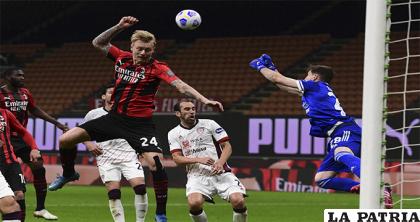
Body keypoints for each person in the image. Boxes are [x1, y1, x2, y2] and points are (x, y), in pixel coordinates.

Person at [48, 16, 223, 222]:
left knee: (156, 164)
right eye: (139, 48)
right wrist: (119, 26)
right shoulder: (121, 58)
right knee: (65, 140)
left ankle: (160, 213)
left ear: (153, 49)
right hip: (114, 119)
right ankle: (69, 173)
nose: (143, 53)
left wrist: (204, 100)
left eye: (148, 50)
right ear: (132, 46)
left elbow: (181, 85)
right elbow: (98, 42)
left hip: (140, 126)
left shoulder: (158, 68)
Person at [249, 54, 393, 208]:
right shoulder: (312, 91)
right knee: (322, 179)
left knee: (341, 152)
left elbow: (278, 79)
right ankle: (365, 189)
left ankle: (376, 186)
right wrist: (272, 69)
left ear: (315, 77)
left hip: (344, 129)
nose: (305, 78)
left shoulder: (314, 86)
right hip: (337, 133)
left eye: (308, 75)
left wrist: (260, 67)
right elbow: (280, 83)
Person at [0, 67, 68, 219]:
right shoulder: (1, 94)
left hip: (22, 138)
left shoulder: (25, 93)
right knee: (16, 187)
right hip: (5, 139)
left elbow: (35, 110)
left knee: (38, 166)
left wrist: (57, 124)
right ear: (7, 77)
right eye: (18, 75)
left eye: (23, 75)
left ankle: (40, 208)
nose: (22, 77)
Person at [168, 100, 247, 222]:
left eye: (193, 109)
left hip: (221, 173)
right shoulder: (173, 133)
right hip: (197, 176)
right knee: (194, 203)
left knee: (238, 200)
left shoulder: (209, 124)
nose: (192, 112)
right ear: (178, 114)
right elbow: (177, 158)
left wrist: (220, 162)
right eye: (187, 109)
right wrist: (198, 159)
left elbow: (227, 146)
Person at [82, 85, 148, 222]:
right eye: (110, 92)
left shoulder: (128, 112)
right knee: (114, 193)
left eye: (116, 93)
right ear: (103, 96)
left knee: (140, 187)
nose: (113, 95)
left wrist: (141, 148)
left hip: (128, 154)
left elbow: (138, 132)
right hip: (106, 157)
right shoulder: (93, 114)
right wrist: (89, 145)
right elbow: (80, 133)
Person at [0, 108, 42, 221]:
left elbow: (22, 131)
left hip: (10, 162)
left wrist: (34, 148)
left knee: (19, 195)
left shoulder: (5, 113)